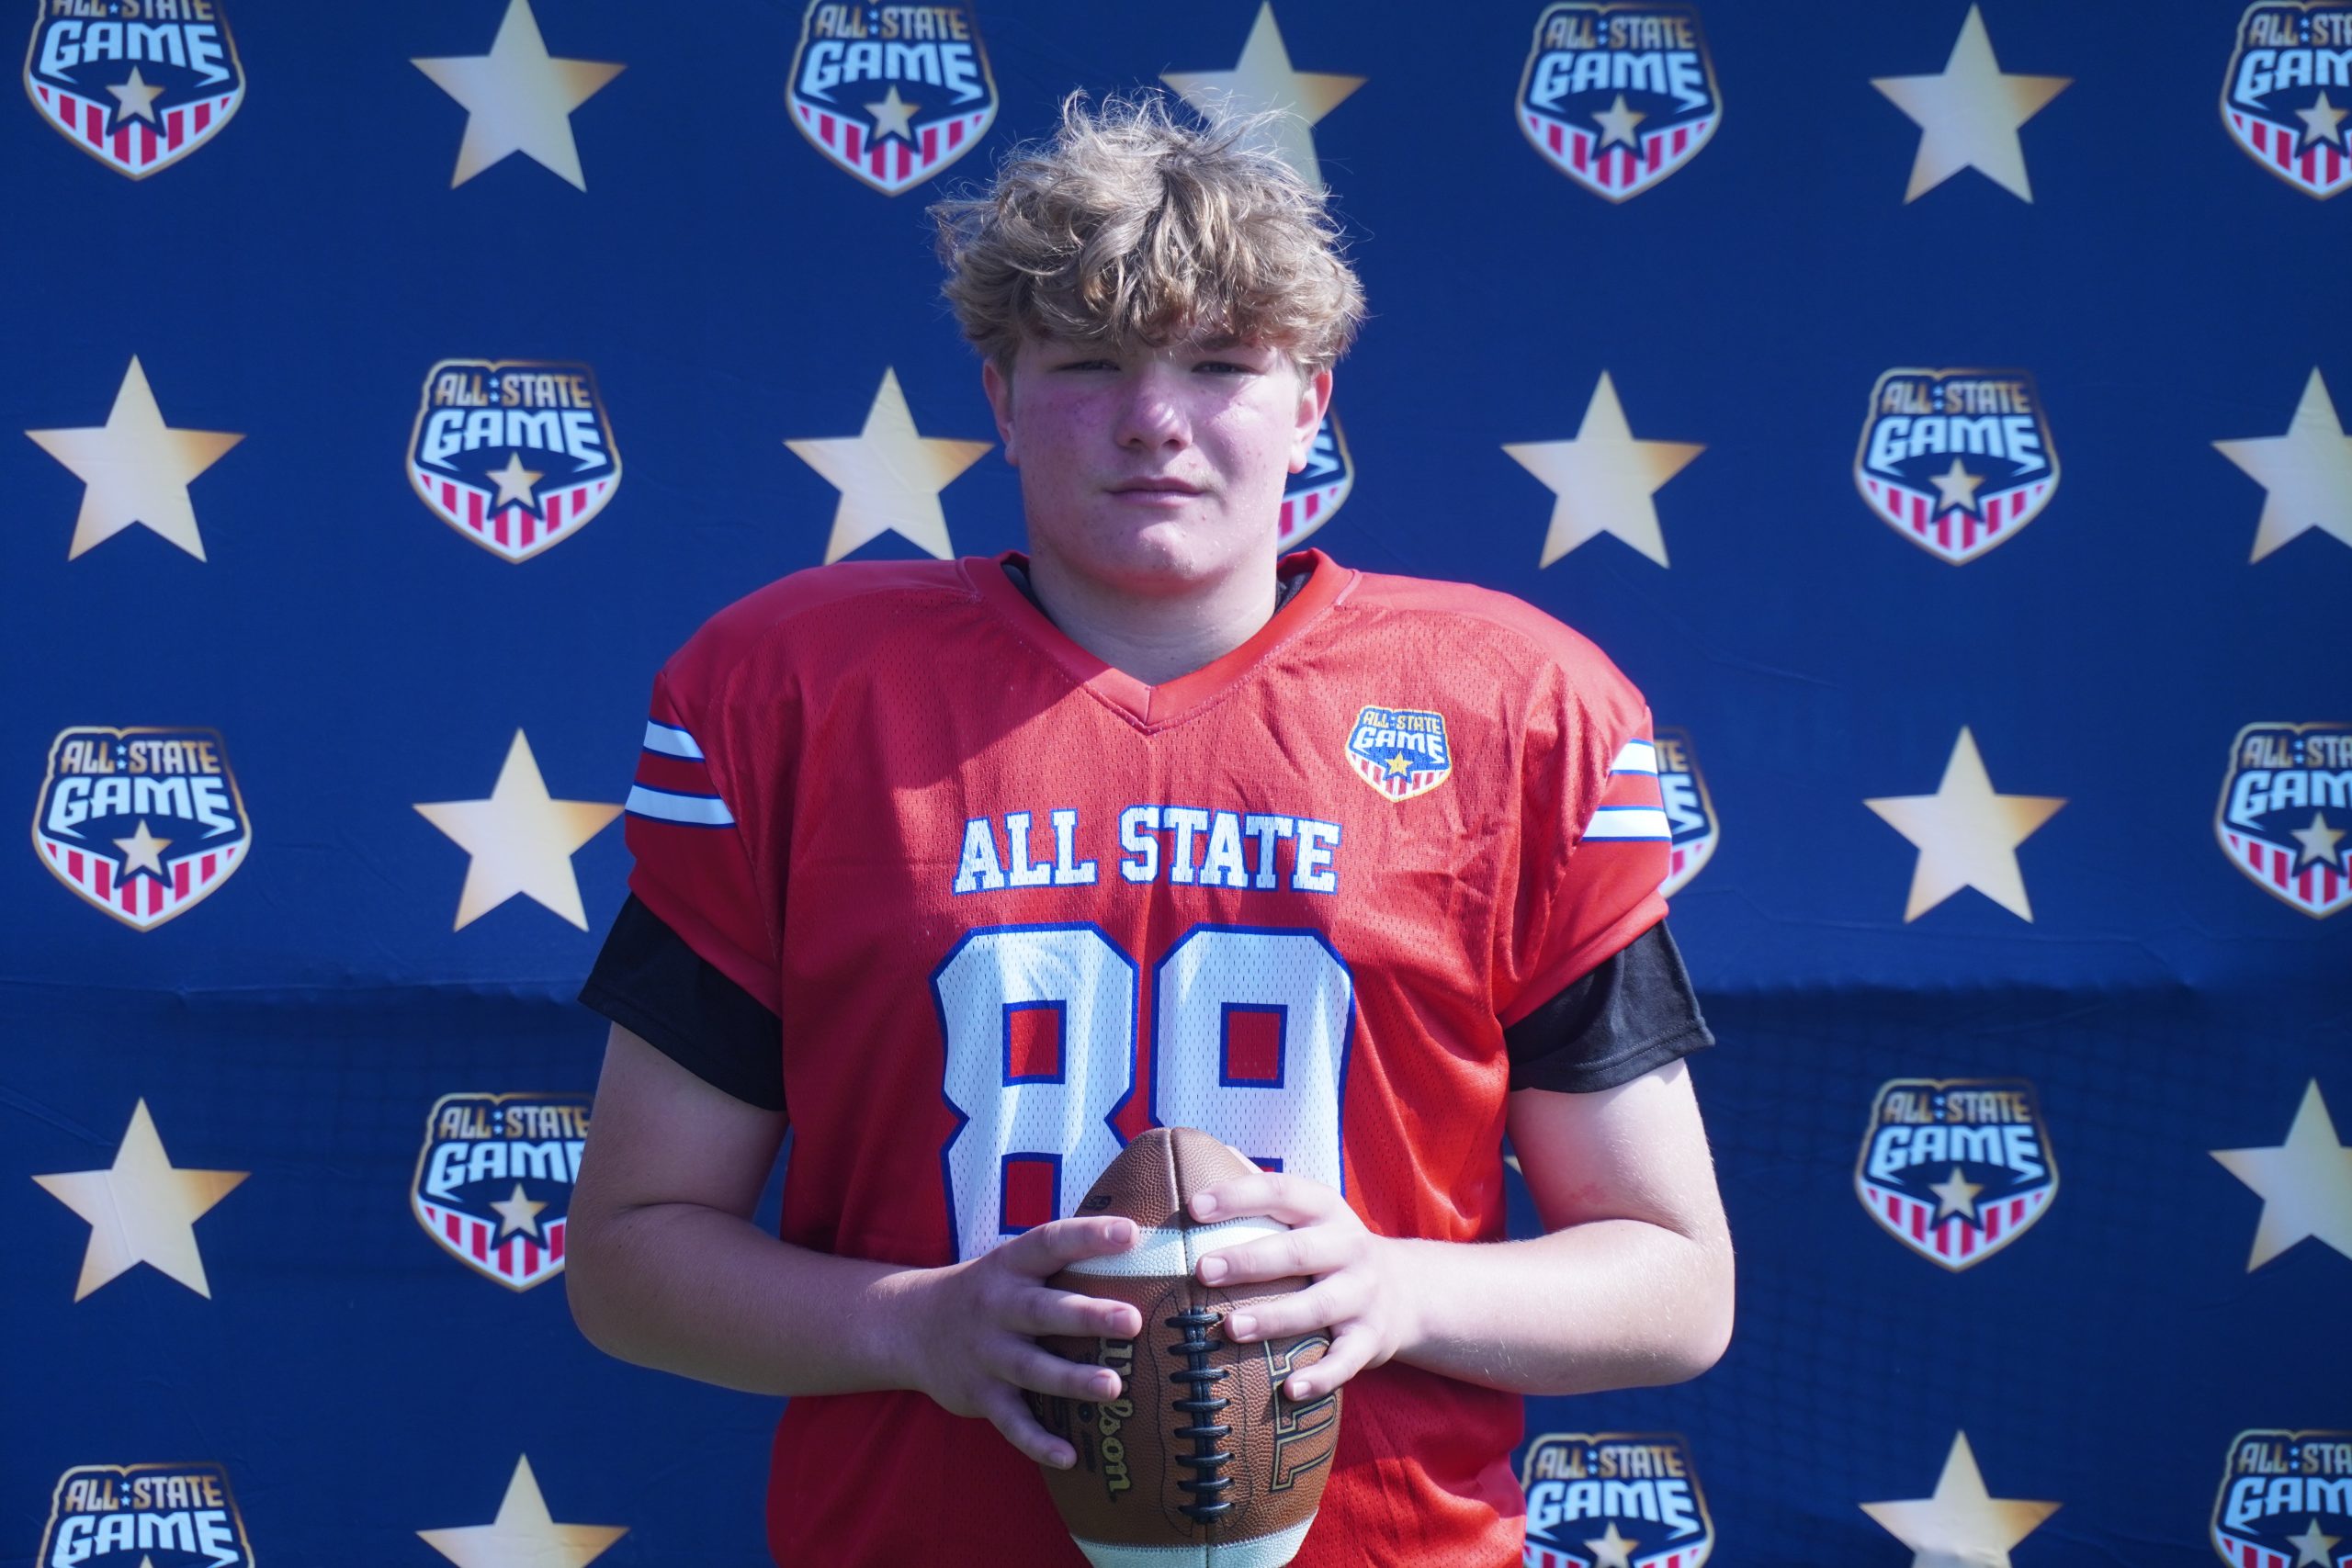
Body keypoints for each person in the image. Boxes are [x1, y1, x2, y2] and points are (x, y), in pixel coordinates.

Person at [565, 93, 1733, 1566]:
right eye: (1089, 361)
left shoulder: (1512, 709)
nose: (1153, 420)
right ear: (1001, 396)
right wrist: (918, 1324)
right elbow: (630, 1254)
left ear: (1311, 401)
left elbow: (1675, 1283)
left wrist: (1399, 1292)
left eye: (1222, 364)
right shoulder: (793, 693)